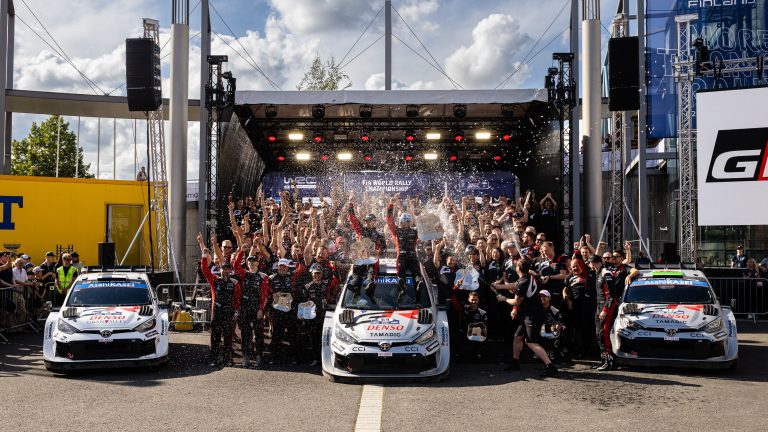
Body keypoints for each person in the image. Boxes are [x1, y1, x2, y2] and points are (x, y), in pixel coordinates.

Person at [496, 258, 558, 377]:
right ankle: (515, 362)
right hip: (527, 315)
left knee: (530, 342)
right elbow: (515, 285)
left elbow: (516, 302)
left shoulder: (524, 281)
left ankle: (550, 366)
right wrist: (498, 286)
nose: (514, 267)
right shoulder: (527, 277)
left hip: (533, 315)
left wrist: (504, 299)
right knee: (518, 337)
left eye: (516, 266)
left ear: (519, 268)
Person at [198, 233, 242, 367]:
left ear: (230, 270)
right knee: (215, 337)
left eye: (228, 269)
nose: (226, 271)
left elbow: (237, 299)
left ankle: (227, 359)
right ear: (220, 269)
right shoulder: (215, 280)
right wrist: (204, 255)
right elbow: (204, 270)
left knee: (228, 337)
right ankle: (214, 358)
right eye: (224, 269)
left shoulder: (234, 283)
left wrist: (236, 312)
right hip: (216, 312)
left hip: (229, 313)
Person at [233, 245, 269, 368]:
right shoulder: (244, 274)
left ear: (258, 263)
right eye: (249, 261)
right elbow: (235, 266)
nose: (252, 263)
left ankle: (258, 356)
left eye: (254, 261)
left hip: (257, 309)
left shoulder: (263, 276)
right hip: (245, 308)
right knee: (245, 333)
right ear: (247, 263)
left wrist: (261, 309)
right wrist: (241, 251)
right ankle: (246, 357)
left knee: (258, 334)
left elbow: (265, 294)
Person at [386, 196, 424, 294]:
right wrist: (391, 205)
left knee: (416, 269)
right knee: (401, 268)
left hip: (412, 255)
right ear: (400, 222)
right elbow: (389, 221)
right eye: (404, 221)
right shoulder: (397, 231)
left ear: (410, 222)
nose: (405, 223)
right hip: (401, 256)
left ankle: (418, 283)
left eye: (407, 221)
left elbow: (424, 233)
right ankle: (402, 284)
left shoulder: (415, 231)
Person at [298, 264, 332, 366]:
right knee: (314, 338)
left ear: (322, 274)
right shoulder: (307, 286)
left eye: (319, 273)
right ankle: (316, 358)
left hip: (326, 315)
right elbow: (303, 302)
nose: (317, 275)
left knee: (326, 337)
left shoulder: (327, 284)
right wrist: (302, 314)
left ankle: (326, 358)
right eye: (315, 273)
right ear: (311, 274)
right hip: (312, 316)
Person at [268, 258, 298, 364]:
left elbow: (297, 292)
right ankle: (274, 357)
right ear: (278, 267)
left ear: (287, 267)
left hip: (290, 310)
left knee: (292, 334)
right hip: (277, 310)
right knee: (277, 334)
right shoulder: (271, 278)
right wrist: (272, 295)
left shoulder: (292, 278)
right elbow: (266, 292)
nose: (282, 268)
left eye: (284, 267)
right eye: (280, 266)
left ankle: (293, 357)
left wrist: (293, 297)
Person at [460, 291, 488, 360]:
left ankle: (477, 352)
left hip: (475, 332)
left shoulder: (482, 313)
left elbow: (484, 327)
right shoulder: (464, 308)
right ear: (468, 299)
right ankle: (458, 353)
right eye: (472, 300)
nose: (474, 302)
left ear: (478, 300)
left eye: (475, 300)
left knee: (483, 336)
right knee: (457, 335)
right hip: (463, 331)